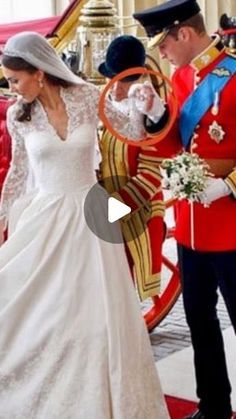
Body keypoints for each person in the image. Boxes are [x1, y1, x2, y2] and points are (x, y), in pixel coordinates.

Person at [0, 31, 170, 418]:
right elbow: (18, 173)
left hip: (92, 216)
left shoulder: (85, 97)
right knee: (40, 309)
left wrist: (142, 104)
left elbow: (130, 131)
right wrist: (2, 218)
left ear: (38, 73)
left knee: (96, 313)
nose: (11, 90)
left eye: (14, 80)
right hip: (46, 217)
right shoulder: (17, 114)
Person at [133, 1, 236, 418]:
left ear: (185, 34)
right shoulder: (178, 78)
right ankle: (213, 406)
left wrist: (228, 184)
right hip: (192, 229)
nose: (162, 53)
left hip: (231, 227)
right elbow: (174, 146)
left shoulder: (233, 78)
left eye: (164, 44)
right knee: (200, 323)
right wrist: (157, 114)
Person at [98, 34, 172, 302]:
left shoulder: (148, 107)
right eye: (112, 78)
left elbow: (152, 172)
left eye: (125, 80)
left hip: (139, 204)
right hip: (105, 199)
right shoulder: (102, 105)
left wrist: (113, 208)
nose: (116, 87)